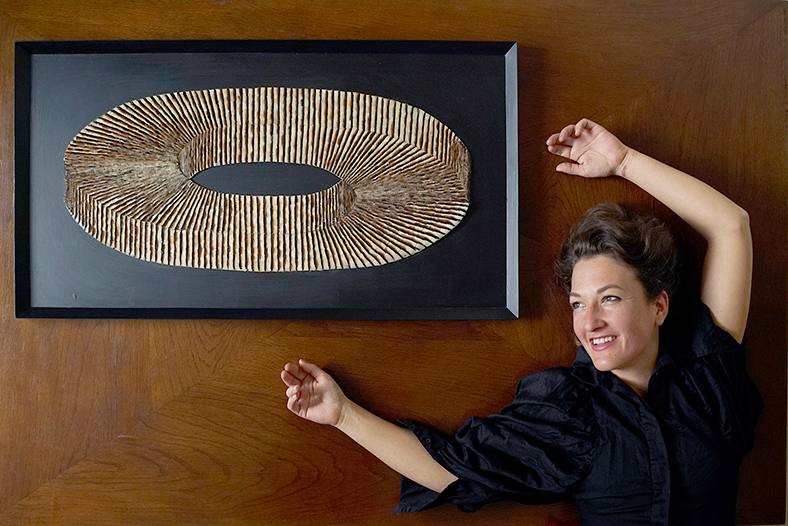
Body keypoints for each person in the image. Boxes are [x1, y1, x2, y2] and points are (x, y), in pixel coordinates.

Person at [279, 118, 762, 525]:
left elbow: (730, 225)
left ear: (659, 306)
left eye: (610, 298)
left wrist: (623, 161)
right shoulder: (569, 411)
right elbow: (454, 469)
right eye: (578, 304)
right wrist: (343, 415)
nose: (590, 322)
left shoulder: (708, 374)